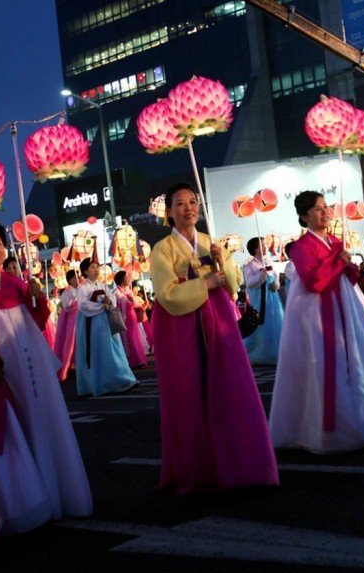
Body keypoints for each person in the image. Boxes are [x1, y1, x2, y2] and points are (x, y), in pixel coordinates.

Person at [0, 220, 92, 535]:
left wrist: (38, 297)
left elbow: (37, 321)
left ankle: (51, 494)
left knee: (38, 425)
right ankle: (13, 505)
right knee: (2, 438)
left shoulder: (16, 284)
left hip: (27, 371)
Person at [149, 183, 278, 494]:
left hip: (219, 321)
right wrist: (203, 284)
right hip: (183, 329)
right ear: (169, 213)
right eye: (179, 204)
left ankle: (237, 463)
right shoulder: (162, 250)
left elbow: (232, 286)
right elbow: (167, 295)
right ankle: (199, 469)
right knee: (189, 394)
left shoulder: (211, 243)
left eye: (193, 202)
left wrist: (222, 264)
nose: (188, 208)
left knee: (229, 388)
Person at [269, 191, 364, 453]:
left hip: (344, 306)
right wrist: (337, 262)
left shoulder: (333, 240)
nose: (325, 212)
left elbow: (349, 276)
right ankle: (327, 430)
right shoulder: (302, 247)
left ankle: (363, 419)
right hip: (316, 312)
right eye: (317, 209)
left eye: (325, 207)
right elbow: (314, 281)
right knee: (325, 363)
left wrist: (346, 263)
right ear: (304, 215)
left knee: (354, 360)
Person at [74, 257, 138, 397]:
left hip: (106, 321)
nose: (96, 269)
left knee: (114, 349)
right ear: (85, 271)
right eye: (92, 267)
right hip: (92, 325)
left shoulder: (103, 285)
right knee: (99, 351)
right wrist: (101, 306)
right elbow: (83, 305)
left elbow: (113, 298)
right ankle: (102, 383)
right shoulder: (83, 288)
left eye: (97, 267)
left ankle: (122, 378)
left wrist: (109, 302)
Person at [241, 237, 285, 365]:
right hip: (260, 302)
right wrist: (262, 275)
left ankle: (277, 352)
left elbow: (276, 278)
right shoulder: (249, 266)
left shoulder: (268, 262)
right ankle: (260, 353)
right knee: (263, 327)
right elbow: (250, 283)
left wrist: (275, 284)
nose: (265, 247)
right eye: (262, 245)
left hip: (274, 301)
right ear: (255, 249)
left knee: (277, 323)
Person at [113, 270, 148, 369]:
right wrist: (130, 300)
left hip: (132, 318)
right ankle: (130, 361)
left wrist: (142, 305)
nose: (129, 278)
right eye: (127, 277)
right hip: (123, 319)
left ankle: (138, 360)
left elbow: (134, 303)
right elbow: (124, 302)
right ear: (122, 279)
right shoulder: (116, 292)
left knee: (135, 338)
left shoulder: (128, 291)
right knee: (128, 339)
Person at [53, 270, 80, 380]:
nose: (77, 280)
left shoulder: (80, 290)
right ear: (69, 280)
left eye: (78, 277)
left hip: (81, 319)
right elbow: (67, 306)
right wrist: (77, 300)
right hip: (72, 321)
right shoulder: (67, 292)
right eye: (75, 278)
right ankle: (69, 367)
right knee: (71, 344)